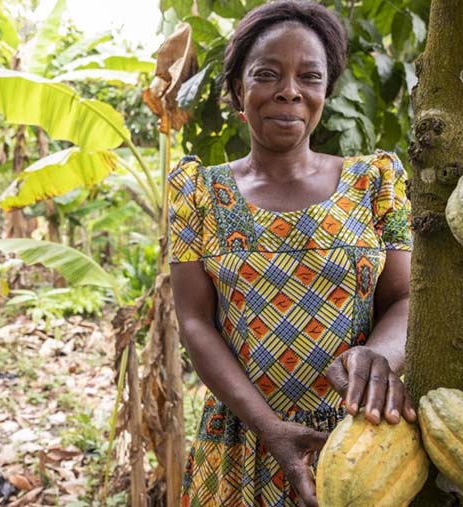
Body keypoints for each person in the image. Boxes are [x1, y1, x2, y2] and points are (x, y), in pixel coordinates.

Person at [168, 2, 416, 506]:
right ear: (239, 89)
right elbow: (195, 322)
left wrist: (380, 356)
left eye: (310, 76)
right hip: (243, 439)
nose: (289, 90)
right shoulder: (197, 192)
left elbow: (406, 299)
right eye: (267, 74)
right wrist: (270, 428)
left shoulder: (374, 184)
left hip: (359, 446)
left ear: (326, 92)